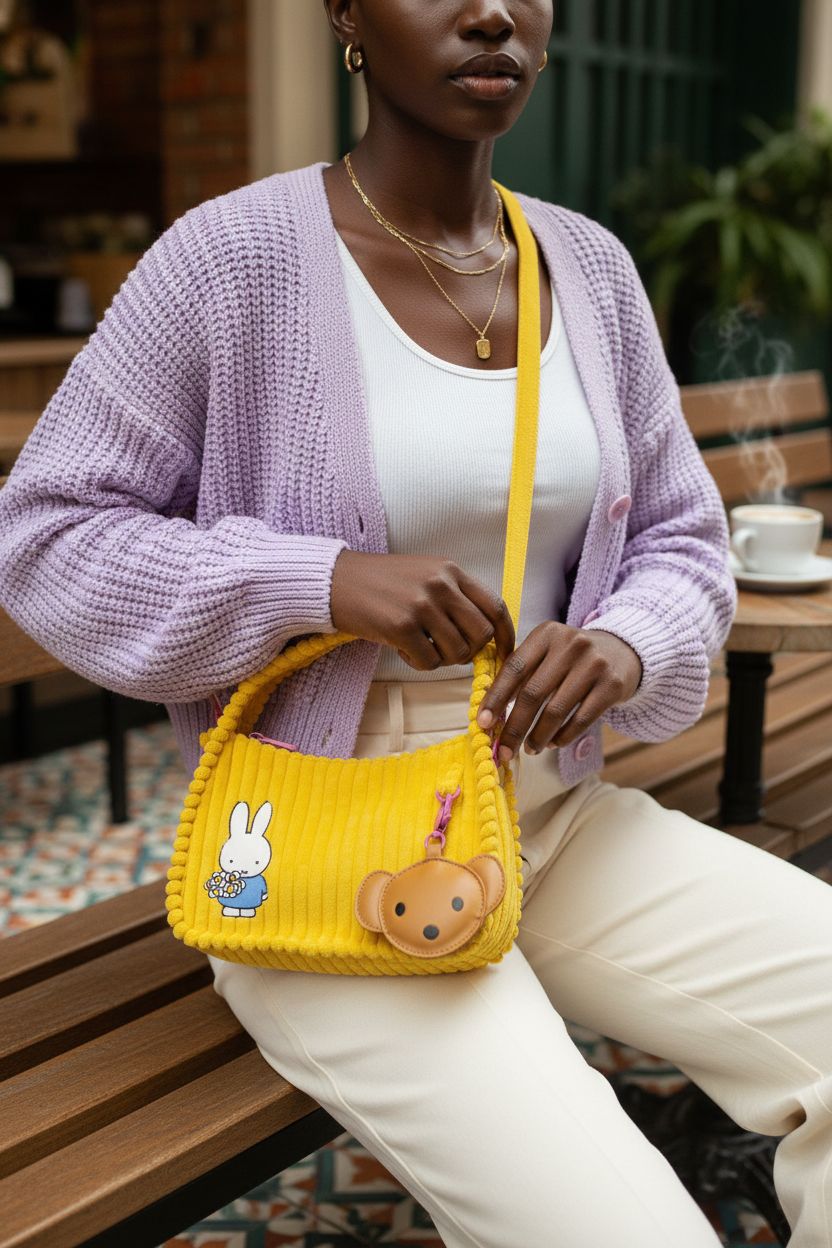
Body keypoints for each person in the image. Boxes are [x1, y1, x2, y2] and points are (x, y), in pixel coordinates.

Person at [0, 2, 830, 1244]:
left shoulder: (588, 269)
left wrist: (625, 642)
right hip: (327, 856)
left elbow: (680, 537)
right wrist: (317, 580)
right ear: (344, 12)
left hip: (546, 815)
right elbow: (48, 535)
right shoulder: (226, 263)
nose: (492, 9)